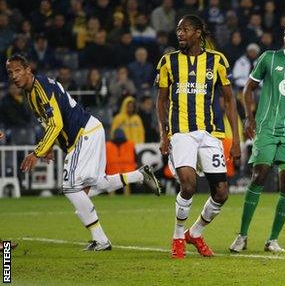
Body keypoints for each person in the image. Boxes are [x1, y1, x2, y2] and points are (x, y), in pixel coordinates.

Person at [6, 54, 160, 251]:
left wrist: (38, 151)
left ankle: (102, 240)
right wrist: (50, 146)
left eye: (17, 70)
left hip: (83, 133)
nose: (14, 76)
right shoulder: (31, 92)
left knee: (71, 187)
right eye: (10, 73)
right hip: (89, 131)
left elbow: (56, 123)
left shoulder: (40, 89)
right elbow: (51, 121)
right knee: (95, 183)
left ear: (28, 70)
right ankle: (139, 175)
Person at [230, 20, 285, 254]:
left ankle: (273, 239)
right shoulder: (269, 58)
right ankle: (242, 235)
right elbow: (247, 89)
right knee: (259, 176)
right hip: (267, 129)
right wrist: (249, 119)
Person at [157, 15, 241, 259]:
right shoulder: (168, 62)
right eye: (178, 30)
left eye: (185, 30)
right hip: (181, 132)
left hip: (210, 133)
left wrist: (235, 139)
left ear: (198, 33)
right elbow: (161, 101)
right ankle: (177, 236)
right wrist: (164, 134)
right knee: (189, 184)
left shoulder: (217, 61)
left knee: (222, 193)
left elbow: (228, 100)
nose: (180, 34)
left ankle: (195, 232)